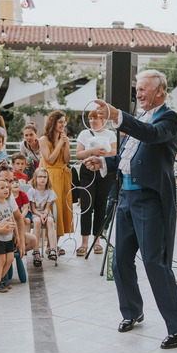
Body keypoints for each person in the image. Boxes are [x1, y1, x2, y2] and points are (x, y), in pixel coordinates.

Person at [84, 69, 177, 349]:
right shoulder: (140, 118)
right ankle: (132, 311)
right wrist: (105, 163)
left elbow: (152, 136)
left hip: (150, 200)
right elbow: (126, 156)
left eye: (144, 89)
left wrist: (116, 115)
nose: (139, 94)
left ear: (160, 91)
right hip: (127, 198)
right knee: (119, 259)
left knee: (155, 263)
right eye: (137, 90)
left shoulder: (167, 118)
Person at [75, 109, 117, 256]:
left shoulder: (110, 134)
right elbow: (78, 154)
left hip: (104, 171)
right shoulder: (84, 134)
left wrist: (104, 152)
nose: (92, 121)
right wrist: (91, 150)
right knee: (86, 205)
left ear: (102, 120)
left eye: (95, 118)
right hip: (87, 171)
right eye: (90, 119)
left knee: (101, 205)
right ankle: (84, 242)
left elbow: (114, 152)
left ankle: (97, 240)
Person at [39, 111, 72, 252]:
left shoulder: (63, 138)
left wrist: (67, 144)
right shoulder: (43, 139)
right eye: (60, 122)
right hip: (51, 176)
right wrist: (59, 144)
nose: (63, 125)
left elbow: (66, 159)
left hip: (63, 175)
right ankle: (49, 245)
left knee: (63, 209)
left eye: (64, 122)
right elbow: (50, 159)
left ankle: (54, 244)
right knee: (54, 208)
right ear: (53, 122)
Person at [27, 168, 57, 260]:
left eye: (45, 177)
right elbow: (33, 208)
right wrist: (40, 215)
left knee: (51, 221)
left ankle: (52, 249)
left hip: (46, 213)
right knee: (37, 222)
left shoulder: (50, 191)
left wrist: (45, 214)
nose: (43, 179)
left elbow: (48, 207)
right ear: (35, 178)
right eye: (40, 177)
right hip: (36, 213)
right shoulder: (32, 191)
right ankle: (36, 251)